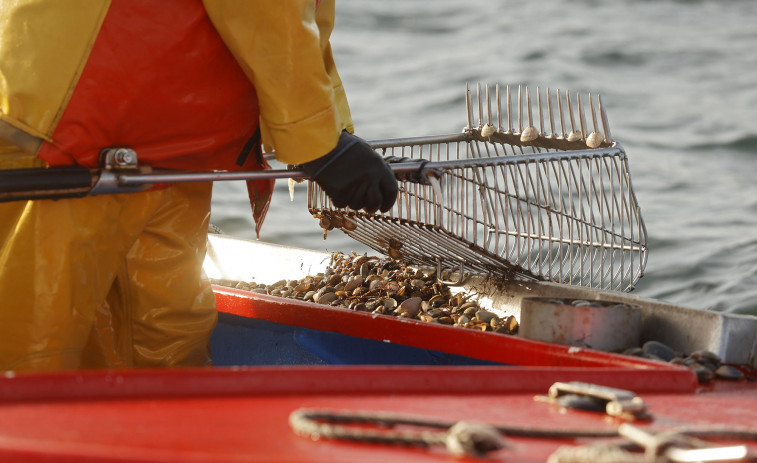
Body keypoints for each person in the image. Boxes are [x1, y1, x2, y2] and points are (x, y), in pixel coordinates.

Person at [0, 1, 398, 371]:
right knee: (35, 342)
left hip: (163, 144)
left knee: (171, 333)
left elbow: (299, 20)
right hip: (64, 124)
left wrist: (333, 135)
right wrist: (321, 144)